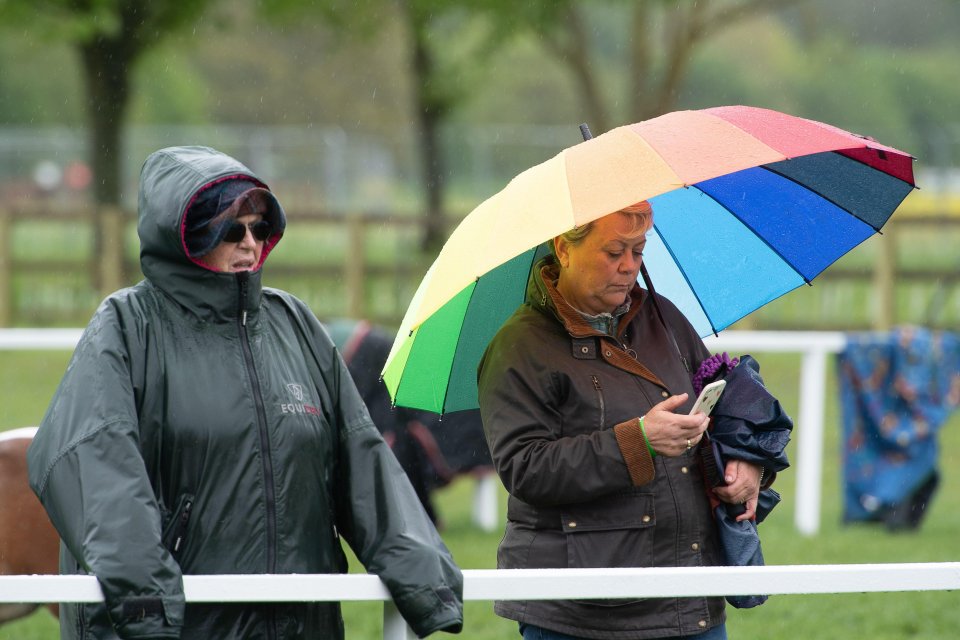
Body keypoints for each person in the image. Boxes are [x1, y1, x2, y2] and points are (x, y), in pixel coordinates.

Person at [27, 146, 463, 640]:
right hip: (177, 627)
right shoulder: (126, 327)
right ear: (185, 236)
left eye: (259, 227)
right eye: (232, 230)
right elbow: (90, 462)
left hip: (301, 626)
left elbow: (362, 458)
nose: (250, 243)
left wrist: (428, 582)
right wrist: (144, 597)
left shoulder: (294, 324)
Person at [477, 202, 764, 640]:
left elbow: (721, 398)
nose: (629, 266)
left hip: (692, 596)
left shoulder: (663, 317)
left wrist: (747, 461)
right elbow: (525, 468)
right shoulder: (519, 347)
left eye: (639, 250)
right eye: (613, 252)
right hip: (578, 614)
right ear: (564, 248)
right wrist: (638, 440)